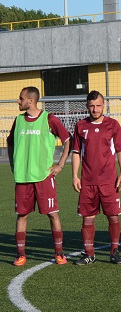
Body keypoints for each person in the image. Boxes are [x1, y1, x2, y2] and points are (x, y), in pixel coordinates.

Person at [8, 86, 71, 266]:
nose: (18, 101)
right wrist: (13, 165)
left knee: (52, 214)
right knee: (22, 215)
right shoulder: (18, 120)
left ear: (31, 101)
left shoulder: (49, 119)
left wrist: (60, 165)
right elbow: (10, 142)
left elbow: (68, 140)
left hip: (44, 177)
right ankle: (20, 255)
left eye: (21, 98)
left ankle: (59, 253)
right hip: (22, 178)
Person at [70, 90, 121, 265]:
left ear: (104, 105)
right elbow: (76, 152)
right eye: (92, 106)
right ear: (87, 106)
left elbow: (120, 150)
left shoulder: (113, 125)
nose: (95, 109)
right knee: (87, 218)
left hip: (109, 181)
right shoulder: (80, 126)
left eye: (98, 105)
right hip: (88, 182)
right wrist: (75, 175)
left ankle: (114, 251)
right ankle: (89, 253)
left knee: (113, 217)